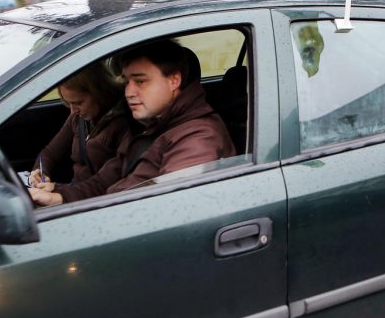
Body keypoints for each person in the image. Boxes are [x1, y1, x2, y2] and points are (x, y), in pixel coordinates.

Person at [30, 39, 235, 207]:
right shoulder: (151, 127)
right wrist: (57, 196)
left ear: (174, 81)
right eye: (127, 81)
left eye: (140, 81)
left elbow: (167, 210)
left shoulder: (198, 139)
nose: (129, 92)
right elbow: (103, 182)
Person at [29, 62, 131, 187]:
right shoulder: (78, 118)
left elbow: (105, 183)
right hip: (73, 190)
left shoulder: (122, 124)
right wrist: (40, 172)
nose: (73, 111)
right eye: (68, 103)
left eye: (78, 103)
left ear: (99, 92)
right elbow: (49, 153)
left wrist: (57, 191)